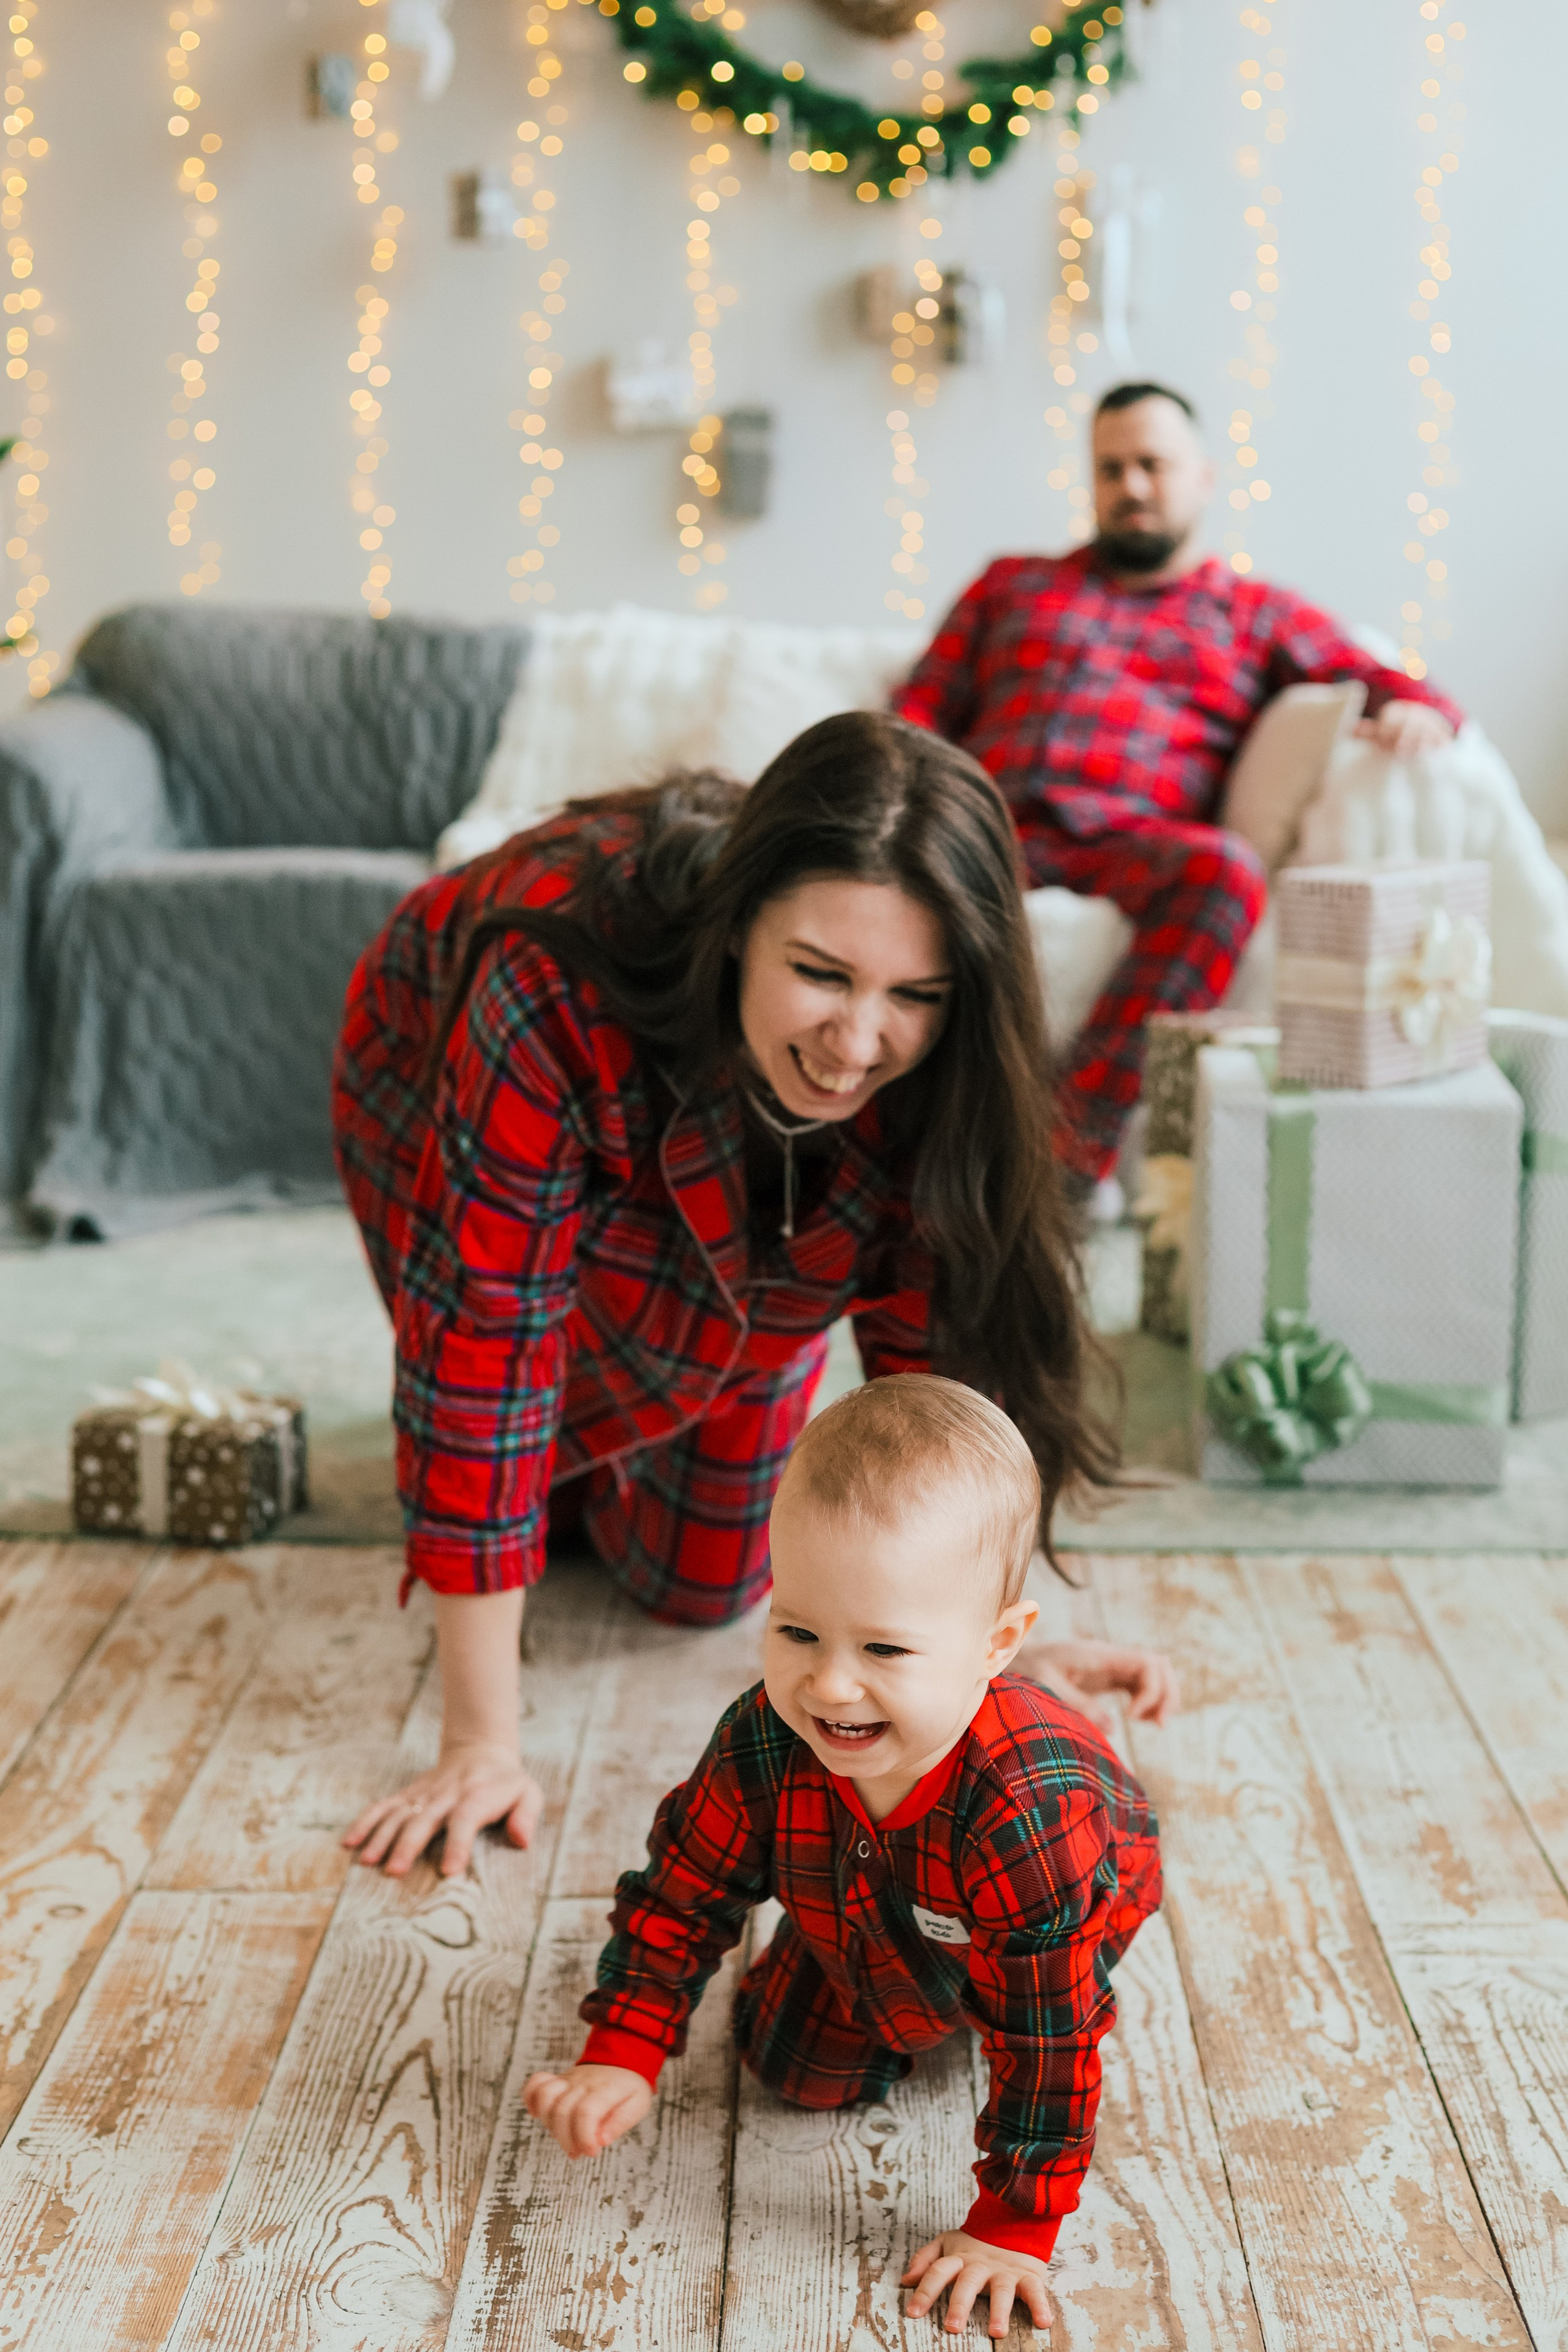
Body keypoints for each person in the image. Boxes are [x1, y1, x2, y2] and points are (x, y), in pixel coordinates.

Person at [331, 713, 1176, 1880]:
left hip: (748, 1203)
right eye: (819, 974)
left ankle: (580, 1462)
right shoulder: (548, 975)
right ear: (738, 931)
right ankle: (538, 1489)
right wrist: (482, 1738)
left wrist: (982, 1650)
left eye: (912, 993)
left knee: (705, 1582)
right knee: (526, 1406)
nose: (857, 1039)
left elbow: (936, 1389)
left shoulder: (934, 1059)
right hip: (433, 1056)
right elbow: (487, 1340)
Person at [523, 1376, 1165, 2342]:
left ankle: (948, 1981)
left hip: (1055, 1911)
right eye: (797, 1630)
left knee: (1011, 2003)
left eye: (885, 1649)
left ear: (998, 1645)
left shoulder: (1030, 1812)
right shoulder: (764, 1740)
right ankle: (890, 1965)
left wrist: (1015, 2225)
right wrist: (625, 2045)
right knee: (789, 2065)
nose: (829, 1683)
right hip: (868, 1893)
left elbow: (1053, 2040)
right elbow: (680, 1895)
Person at [893, 380, 1465, 1191]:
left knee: (1228, 873)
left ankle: (1059, 1162)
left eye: (1152, 465)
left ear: (1203, 476)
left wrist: (1416, 708)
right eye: (1110, 467)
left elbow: (1374, 675)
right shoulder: (1010, 583)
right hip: (985, 829)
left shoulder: (1257, 612)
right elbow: (917, 708)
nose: (1130, 486)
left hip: (1131, 843)